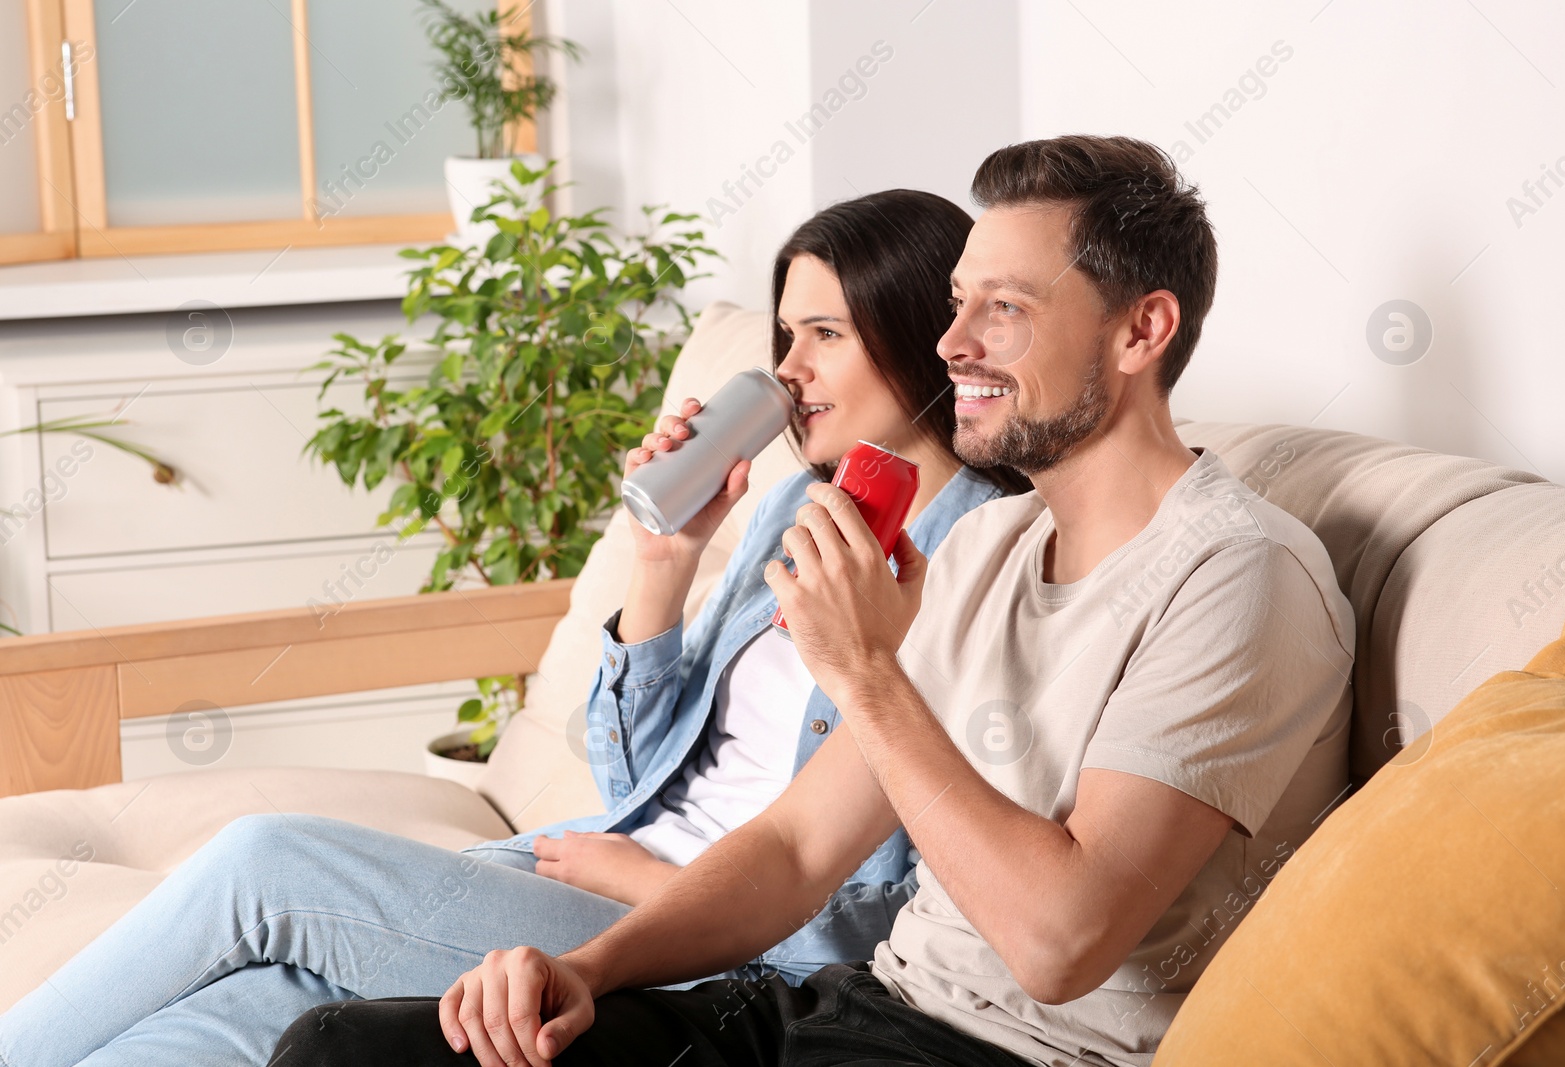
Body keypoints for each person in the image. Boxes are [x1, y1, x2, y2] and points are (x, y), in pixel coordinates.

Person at [270, 134, 1358, 1067]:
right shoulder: (992, 540)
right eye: (957, 303)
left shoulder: (1237, 575)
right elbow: (794, 850)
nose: (952, 343)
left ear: (1140, 331)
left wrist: (866, 672)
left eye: (1004, 308)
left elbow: (1059, 943)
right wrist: (585, 967)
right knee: (340, 1046)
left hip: (1007, 1053)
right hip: (851, 1015)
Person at [0, 189, 1026, 1067]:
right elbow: (634, 782)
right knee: (276, 994)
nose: (788, 368)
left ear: (915, 336)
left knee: (264, 862)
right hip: (586, 869)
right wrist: (661, 566)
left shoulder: (982, 558)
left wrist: (645, 878)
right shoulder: (792, 503)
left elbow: (882, 902)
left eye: (825, 335)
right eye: (785, 334)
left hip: (706, 944)